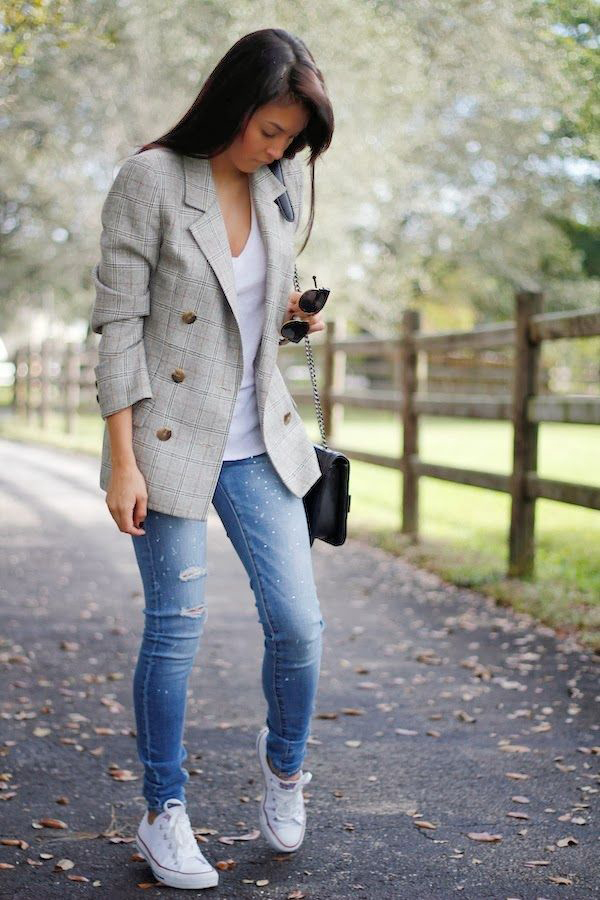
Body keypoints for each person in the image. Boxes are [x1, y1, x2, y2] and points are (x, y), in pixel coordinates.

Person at [90, 27, 334, 891]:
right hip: (167, 446)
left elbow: (245, 313)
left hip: (258, 441)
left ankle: (285, 767)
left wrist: (291, 314)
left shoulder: (276, 190)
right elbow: (119, 329)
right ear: (234, 103)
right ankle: (164, 809)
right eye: (270, 130)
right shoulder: (151, 180)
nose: (278, 150)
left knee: (298, 626)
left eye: (291, 140)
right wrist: (123, 462)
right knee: (176, 630)